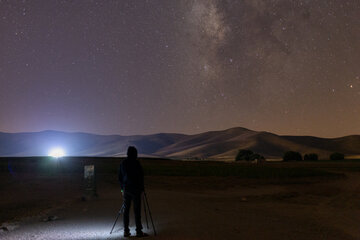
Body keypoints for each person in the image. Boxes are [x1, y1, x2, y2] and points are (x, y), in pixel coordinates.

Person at [118, 146, 148, 237]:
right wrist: (142, 188)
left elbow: (120, 177)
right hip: (136, 190)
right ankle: (139, 231)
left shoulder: (123, 163)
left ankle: (126, 231)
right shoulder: (137, 163)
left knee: (126, 211)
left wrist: (122, 189)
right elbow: (141, 177)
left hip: (126, 189)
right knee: (137, 211)